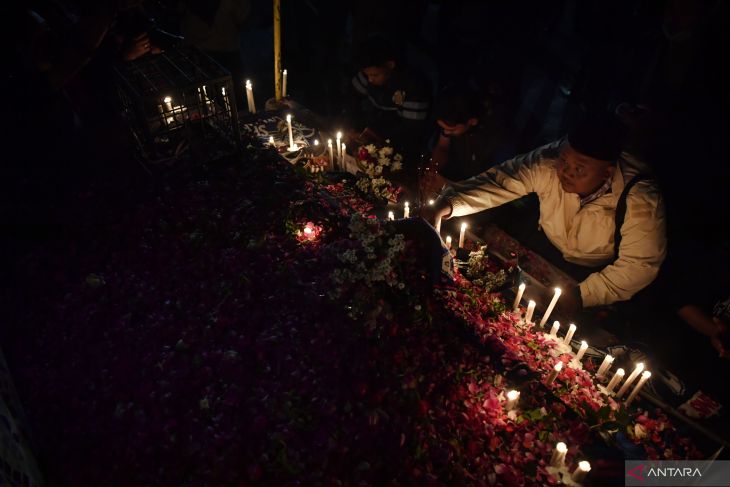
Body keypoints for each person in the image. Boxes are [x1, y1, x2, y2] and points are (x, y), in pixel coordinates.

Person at [423, 111, 667, 312]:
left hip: (592, 269)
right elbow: (502, 181)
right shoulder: (551, 159)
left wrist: (582, 295)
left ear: (608, 172)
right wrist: (450, 203)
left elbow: (638, 264)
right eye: (565, 162)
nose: (566, 172)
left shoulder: (640, 198)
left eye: (579, 170)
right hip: (547, 238)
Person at [343, 35, 431, 158]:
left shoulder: (413, 86)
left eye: (375, 75)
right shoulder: (367, 74)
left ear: (390, 65)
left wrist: (375, 139)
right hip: (373, 130)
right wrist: (353, 127)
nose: (370, 79)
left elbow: (411, 130)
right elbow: (351, 101)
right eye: (366, 75)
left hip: (400, 143)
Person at [423, 84, 516, 198]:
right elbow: (442, 147)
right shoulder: (453, 120)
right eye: (443, 129)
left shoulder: (498, 137)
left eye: (451, 130)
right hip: (457, 183)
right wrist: (432, 172)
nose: (446, 133)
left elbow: (496, 186)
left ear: (472, 121)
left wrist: (449, 185)